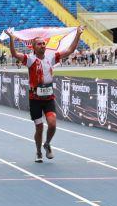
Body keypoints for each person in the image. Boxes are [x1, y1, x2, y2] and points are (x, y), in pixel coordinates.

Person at [7, 27, 83, 162]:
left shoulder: (51, 57)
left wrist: (78, 34)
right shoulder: (29, 59)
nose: (42, 45)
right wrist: (12, 39)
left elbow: (70, 50)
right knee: (39, 127)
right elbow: (14, 54)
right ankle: (38, 152)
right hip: (35, 98)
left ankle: (47, 143)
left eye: (43, 43)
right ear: (33, 47)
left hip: (48, 97)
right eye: (39, 44)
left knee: (52, 124)